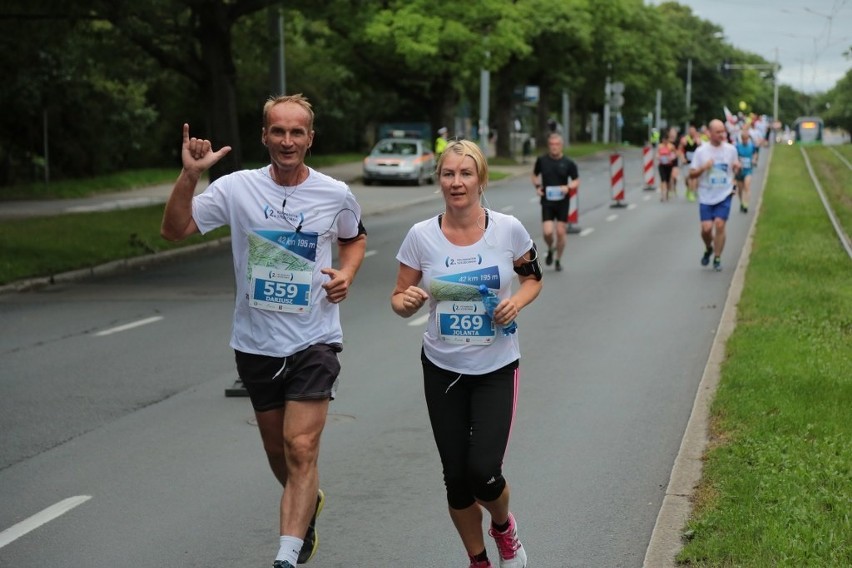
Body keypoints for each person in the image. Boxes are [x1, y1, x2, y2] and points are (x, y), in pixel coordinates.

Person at [161, 93, 367, 568]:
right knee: (281, 453)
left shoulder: (334, 193)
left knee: (301, 445)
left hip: (315, 338)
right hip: (256, 343)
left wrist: (347, 274)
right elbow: (175, 230)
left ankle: (286, 556)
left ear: (310, 139)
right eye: (279, 131)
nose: (287, 141)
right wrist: (191, 175)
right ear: (264, 136)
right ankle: (307, 498)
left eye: (297, 132)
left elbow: (353, 238)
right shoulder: (236, 189)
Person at [392, 139, 542, 568]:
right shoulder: (420, 236)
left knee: (484, 472)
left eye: (465, 174)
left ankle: (503, 529)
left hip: (496, 366)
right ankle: (478, 561)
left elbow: (533, 279)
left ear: (481, 180)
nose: (456, 183)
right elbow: (399, 296)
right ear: (439, 178)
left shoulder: (508, 229)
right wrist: (407, 303)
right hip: (442, 367)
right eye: (448, 174)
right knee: (456, 481)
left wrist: (518, 301)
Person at [689, 119, 740, 272]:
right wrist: (704, 167)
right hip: (706, 194)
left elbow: (735, 168)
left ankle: (717, 257)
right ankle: (708, 248)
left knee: (719, 224)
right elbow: (691, 174)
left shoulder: (731, 150)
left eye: (723, 131)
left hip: (724, 193)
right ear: (709, 133)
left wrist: (737, 167)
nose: (721, 134)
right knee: (706, 229)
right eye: (717, 132)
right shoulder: (701, 151)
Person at [530, 133, 580, 272]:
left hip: (563, 201)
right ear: (548, 146)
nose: (554, 147)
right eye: (551, 144)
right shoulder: (542, 160)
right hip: (547, 200)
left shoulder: (568, 163)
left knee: (560, 231)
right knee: (547, 232)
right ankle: (551, 248)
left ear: (561, 146)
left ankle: (558, 259)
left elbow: (576, 180)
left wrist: (568, 187)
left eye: (557, 144)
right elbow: (534, 175)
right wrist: (538, 187)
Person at [678, 125, 702, 202]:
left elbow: (702, 149)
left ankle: (692, 192)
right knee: (687, 178)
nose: (692, 132)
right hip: (687, 161)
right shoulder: (684, 140)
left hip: (695, 162)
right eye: (690, 131)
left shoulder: (698, 140)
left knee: (694, 178)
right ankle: (689, 189)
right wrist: (682, 158)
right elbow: (680, 150)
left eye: (693, 131)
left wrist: (698, 142)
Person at [734, 129, 755, 213]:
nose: (745, 140)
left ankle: (746, 204)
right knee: (740, 189)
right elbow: (734, 157)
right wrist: (737, 163)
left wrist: (754, 159)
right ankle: (742, 202)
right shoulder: (737, 146)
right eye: (744, 139)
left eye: (746, 139)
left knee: (747, 186)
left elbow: (755, 153)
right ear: (741, 139)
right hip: (739, 171)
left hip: (748, 170)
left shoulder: (751, 146)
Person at [656, 132, 677, 202]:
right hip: (661, 165)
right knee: (663, 180)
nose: (665, 141)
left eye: (666, 140)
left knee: (667, 180)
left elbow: (675, 154)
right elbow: (657, 154)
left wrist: (670, 158)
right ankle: (662, 195)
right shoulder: (660, 146)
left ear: (668, 140)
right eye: (663, 140)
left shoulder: (671, 146)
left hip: (668, 165)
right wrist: (658, 157)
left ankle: (667, 192)